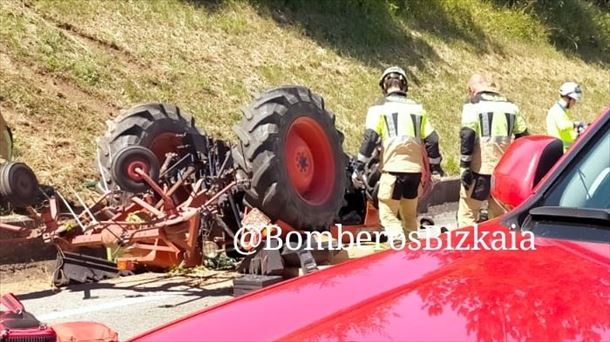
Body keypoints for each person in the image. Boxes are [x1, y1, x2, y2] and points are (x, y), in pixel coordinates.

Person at [353, 66, 443, 239]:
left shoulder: (378, 109)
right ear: (404, 86)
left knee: (388, 217)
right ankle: (412, 256)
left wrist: (359, 166)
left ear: (384, 86)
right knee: (410, 219)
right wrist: (435, 168)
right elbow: (432, 140)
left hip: (392, 174)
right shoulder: (418, 110)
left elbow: (370, 138)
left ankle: (398, 248)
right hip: (414, 175)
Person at [458, 74, 529, 227]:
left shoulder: (473, 105)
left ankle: (467, 249)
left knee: (467, 214)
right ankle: (495, 248)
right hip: (503, 173)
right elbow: (523, 137)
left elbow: (467, 135)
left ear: (471, 90)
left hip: (480, 171)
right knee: (498, 218)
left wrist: (464, 166)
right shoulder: (511, 107)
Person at [546, 82, 584, 150]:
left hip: (564, 150)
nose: (574, 103)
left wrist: (577, 134)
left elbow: (566, 134)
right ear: (569, 98)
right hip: (559, 151)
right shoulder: (556, 111)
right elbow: (563, 126)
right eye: (574, 100)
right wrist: (575, 124)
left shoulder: (561, 111)